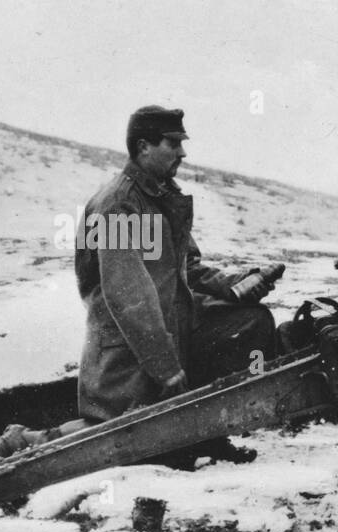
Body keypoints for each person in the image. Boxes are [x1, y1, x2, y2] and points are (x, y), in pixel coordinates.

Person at [75, 106, 279, 424]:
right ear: (144, 147)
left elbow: (187, 268)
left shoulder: (158, 198)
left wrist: (236, 285)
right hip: (131, 349)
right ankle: (15, 444)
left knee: (249, 322)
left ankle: (211, 429)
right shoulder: (118, 205)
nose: (183, 153)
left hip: (169, 329)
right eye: (173, 144)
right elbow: (128, 297)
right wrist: (165, 368)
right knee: (120, 431)